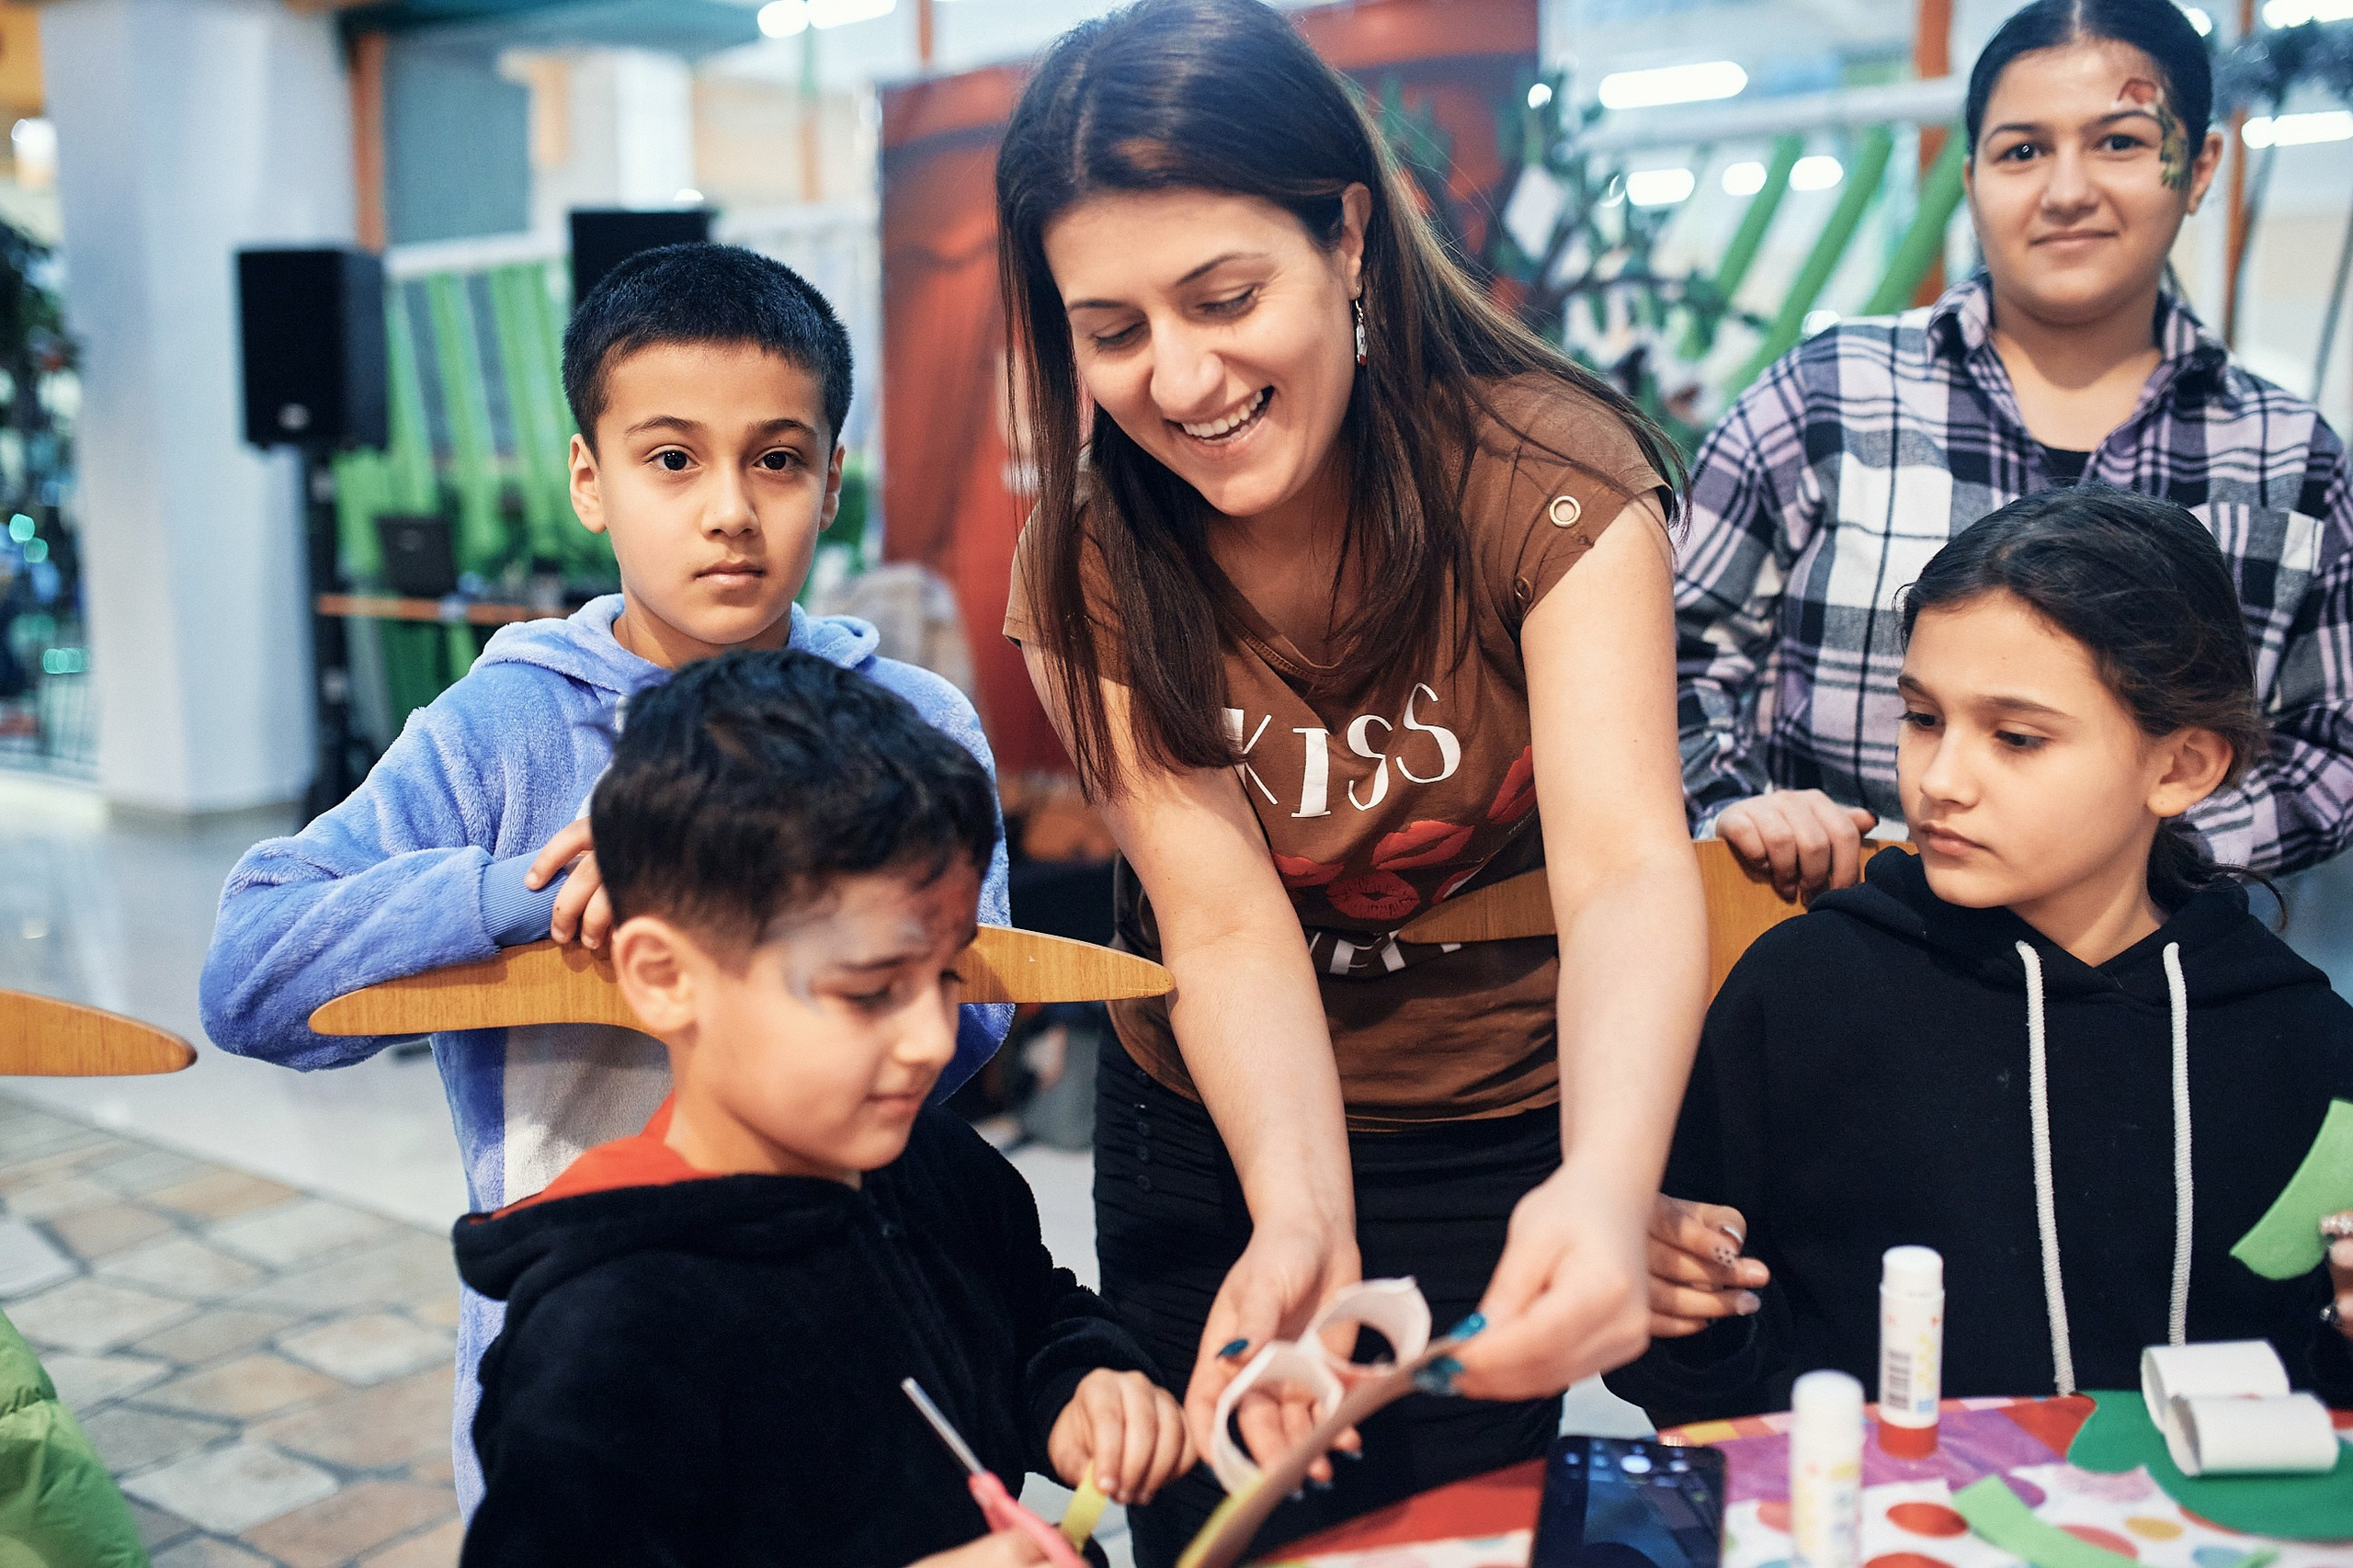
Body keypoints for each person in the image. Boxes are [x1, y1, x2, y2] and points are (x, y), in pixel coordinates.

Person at [995, 0, 1706, 1556]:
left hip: (1496, 1120)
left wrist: (1602, 1184)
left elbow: (1623, 869)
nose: (1181, 379)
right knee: (1216, 1524)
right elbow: (1225, 922)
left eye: (1226, 295)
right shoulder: (1090, 560)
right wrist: (1300, 1217)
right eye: (1112, 331)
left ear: (1349, 239)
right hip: (1215, 1134)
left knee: (1447, 1531)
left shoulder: (1549, 481)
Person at [197, 243, 1010, 1509]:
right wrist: (526, 886)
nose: (730, 508)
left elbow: (975, 1020)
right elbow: (249, 976)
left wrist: (746, 874)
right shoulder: (502, 727)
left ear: (834, 478)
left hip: (854, 1308)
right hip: (573, 1333)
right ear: (591, 479)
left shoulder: (914, 717)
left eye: (778, 459)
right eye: (672, 459)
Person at [1613, 488, 2353, 1426]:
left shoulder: (2304, 1045)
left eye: (2015, 736)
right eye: (1923, 717)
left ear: (2181, 766)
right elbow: (1680, 1376)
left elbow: (2317, 1406)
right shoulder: (1800, 993)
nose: (1940, 780)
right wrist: (1679, 1312)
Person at [458, 651, 1188, 1567]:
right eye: (868, 989)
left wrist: (1083, 1384)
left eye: (947, 973)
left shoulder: (935, 1162)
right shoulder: (606, 1337)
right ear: (667, 976)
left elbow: (1035, 1311)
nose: (930, 1038)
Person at [1677, 0, 2353, 903]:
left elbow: (2332, 741)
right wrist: (1739, 810)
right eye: (2021, 151)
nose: (2065, 190)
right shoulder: (1826, 395)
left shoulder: (2286, 456)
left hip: (2145, 990)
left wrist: (2127, 848)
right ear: (1970, 176)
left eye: (2117, 142)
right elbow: (1668, 652)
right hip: (1820, 937)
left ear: (2197, 169)